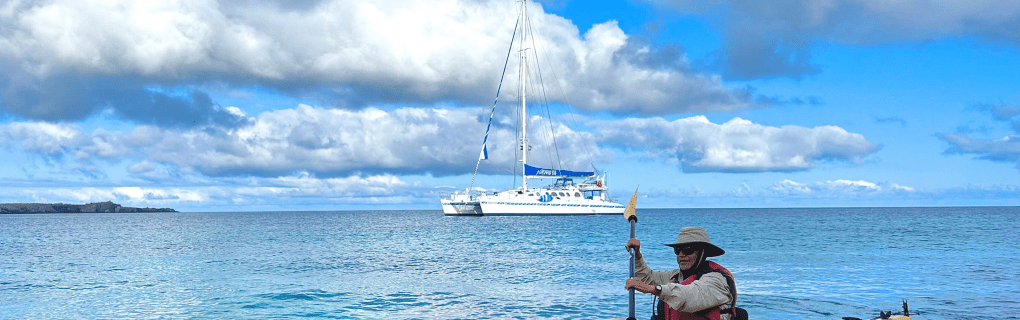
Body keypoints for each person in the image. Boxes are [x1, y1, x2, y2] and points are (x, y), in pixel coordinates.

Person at [625, 226, 745, 320]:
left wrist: (651, 289)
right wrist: (637, 256)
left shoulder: (717, 280)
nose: (681, 255)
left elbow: (690, 296)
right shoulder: (677, 276)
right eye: (677, 250)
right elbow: (647, 277)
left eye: (688, 250)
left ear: (702, 252)